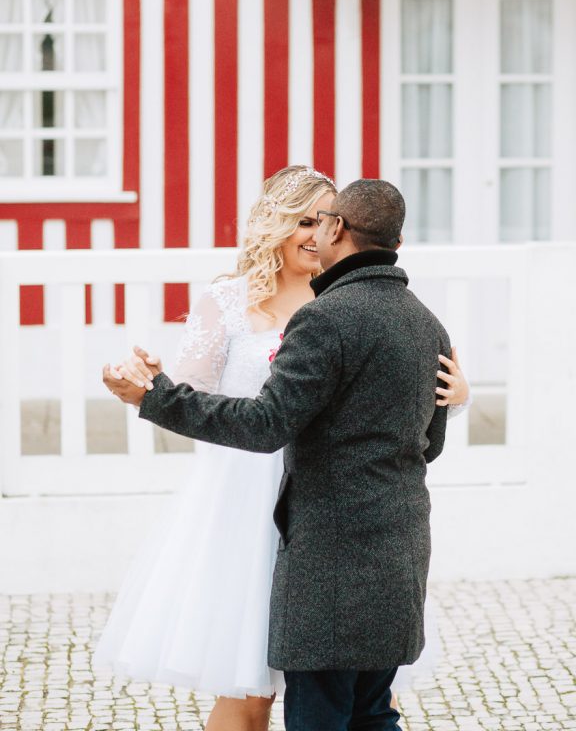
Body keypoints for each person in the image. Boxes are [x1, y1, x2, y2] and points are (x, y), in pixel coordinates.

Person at [104, 177, 468, 731]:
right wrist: (159, 386)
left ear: (339, 229)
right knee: (262, 690)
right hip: (255, 507)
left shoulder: (333, 309)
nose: (314, 233)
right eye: (304, 220)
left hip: (323, 515)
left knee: (343, 693)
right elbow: (424, 443)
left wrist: (458, 396)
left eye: (322, 221)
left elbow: (278, 421)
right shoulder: (408, 314)